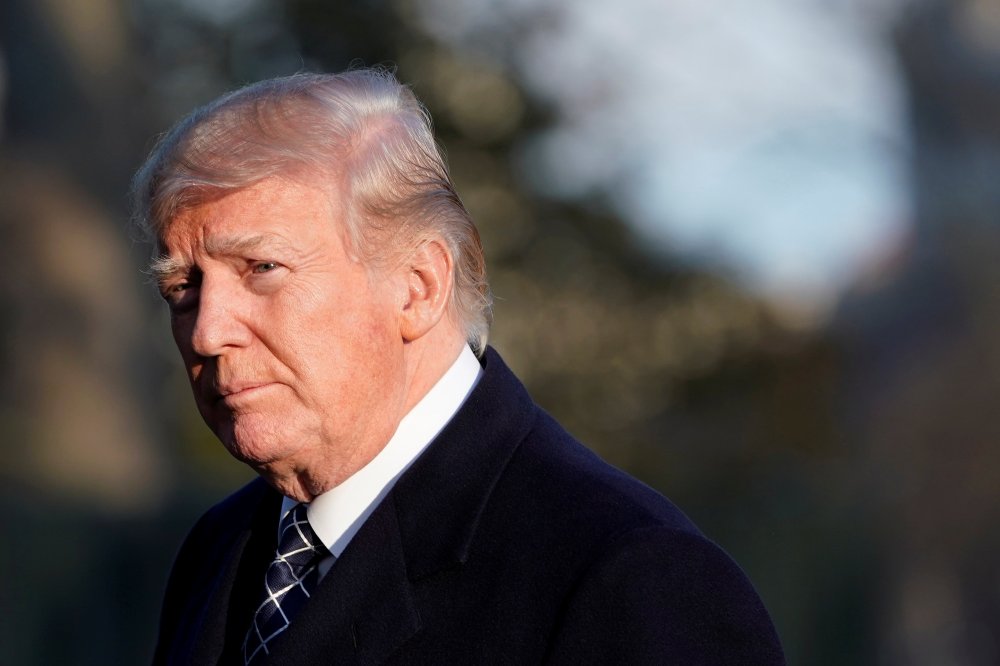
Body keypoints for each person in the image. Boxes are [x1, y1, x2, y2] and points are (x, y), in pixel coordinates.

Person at [134, 68, 785, 665]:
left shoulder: (632, 579)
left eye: (262, 269)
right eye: (182, 288)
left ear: (418, 286)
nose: (210, 331)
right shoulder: (223, 549)